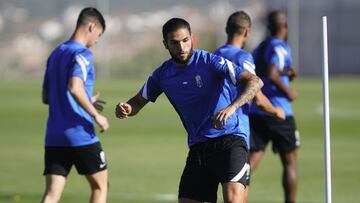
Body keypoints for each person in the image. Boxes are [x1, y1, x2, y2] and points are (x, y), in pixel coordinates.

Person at [115, 17, 263, 203]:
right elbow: (137, 102)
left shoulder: (210, 61)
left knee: (233, 199)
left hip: (230, 141)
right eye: (175, 43)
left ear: (192, 38)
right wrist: (127, 108)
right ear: (165, 44)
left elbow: (255, 81)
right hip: (199, 147)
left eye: (185, 40)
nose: (182, 47)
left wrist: (232, 107)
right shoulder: (162, 75)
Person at [213, 10, 286, 202]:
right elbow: (257, 95)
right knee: (239, 197)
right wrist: (276, 111)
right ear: (246, 32)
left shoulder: (214, 55)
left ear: (227, 29)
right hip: (235, 133)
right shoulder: (243, 57)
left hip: (212, 133)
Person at [41, 7, 109, 203]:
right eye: (99, 35)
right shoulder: (83, 54)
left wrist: (88, 101)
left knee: (52, 194)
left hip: (54, 135)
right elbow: (74, 87)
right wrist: (96, 115)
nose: (97, 40)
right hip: (80, 134)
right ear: (91, 26)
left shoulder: (56, 53)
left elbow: (47, 96)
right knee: (100, 186)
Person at [249, 10, 300, 203]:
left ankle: (234, 195)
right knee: (289, 162)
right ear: (284, 26)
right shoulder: (280, 46)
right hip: (279, 112)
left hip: (257, 110)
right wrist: (288, 91)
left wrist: (286, 71)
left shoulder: (259, 48)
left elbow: (263, 71)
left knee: (251, 160)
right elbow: (271, 72)